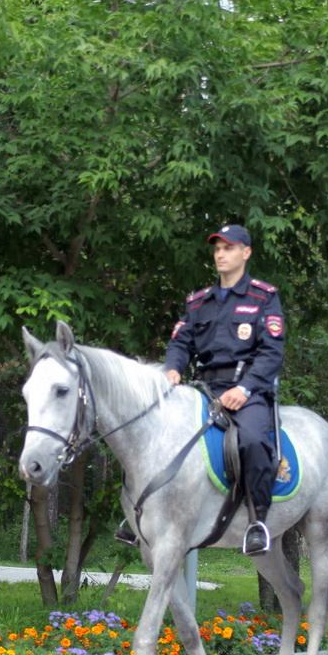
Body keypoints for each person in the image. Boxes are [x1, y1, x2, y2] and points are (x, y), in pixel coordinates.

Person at [116, 223, 285, 556]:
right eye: (217, 248)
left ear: (246, 253)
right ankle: (137, 516)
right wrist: (173, 369)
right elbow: (181, 342)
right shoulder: (199, 301)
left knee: (251, 440)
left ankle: (257, 521)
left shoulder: (263, 297)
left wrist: (246, 389)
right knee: (147, 430)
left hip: (247, 390)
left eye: (229, 248)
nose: (221, 254)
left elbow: (271, 352)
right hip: (203, 388)